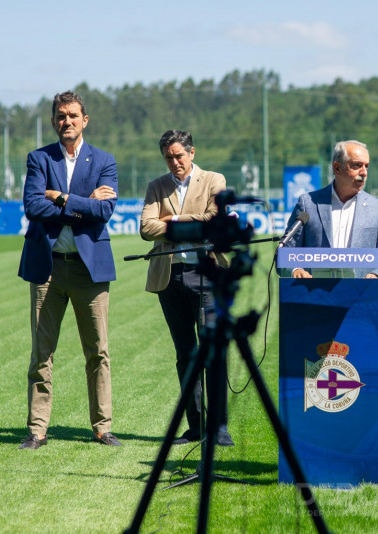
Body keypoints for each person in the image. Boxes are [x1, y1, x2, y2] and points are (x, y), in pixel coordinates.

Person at [17, 91, 120, 449]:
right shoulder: (38, 159)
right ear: (53, 121)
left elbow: (105, 212)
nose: (67, 121)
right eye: (61, 116)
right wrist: (82, 205)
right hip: (47, 270)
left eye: (73, 115)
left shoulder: (104, 161)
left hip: (89, 272)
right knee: (41, 353)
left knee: (98, 352)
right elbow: (33, 207)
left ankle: (102, 427)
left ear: (85, 120)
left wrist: (60, 198)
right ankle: (37, 430)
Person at [139, 130, 234, 446]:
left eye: (179, 155)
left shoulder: (213, 180)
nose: (174, 162)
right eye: (168, 157)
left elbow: (214, 219)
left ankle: (219, 427)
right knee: (186, 355)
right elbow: (146, 228)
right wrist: (191, 224)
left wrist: (172, 221)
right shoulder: (157, 186)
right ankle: (196, 427)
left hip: (207, 275)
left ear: (192, 152)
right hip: (170, 279)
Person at [282, 140, 378, 284]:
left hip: (359, 297)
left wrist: (377, 276)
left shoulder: (377, 209)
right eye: (357, 165)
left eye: (366, 166)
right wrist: (295, 270)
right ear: (337, 168)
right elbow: (285, 253)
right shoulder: (308, 203)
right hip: (313, 297)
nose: (364, 172)